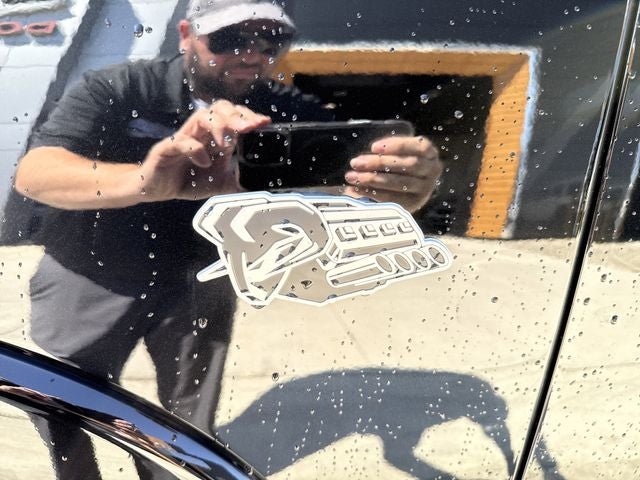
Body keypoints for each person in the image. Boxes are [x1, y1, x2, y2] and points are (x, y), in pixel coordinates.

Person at [12, 0, 443, 478]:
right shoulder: (121, 87)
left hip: (202, 280)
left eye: (271, 40)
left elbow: (345, 184)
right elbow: (35, 173)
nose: (251, 54)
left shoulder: (282, 110)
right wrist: (144, 182)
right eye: (230, 38)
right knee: (61, 400)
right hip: (89, 274)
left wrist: (398, 188)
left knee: (190, 415)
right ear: (185, 35)